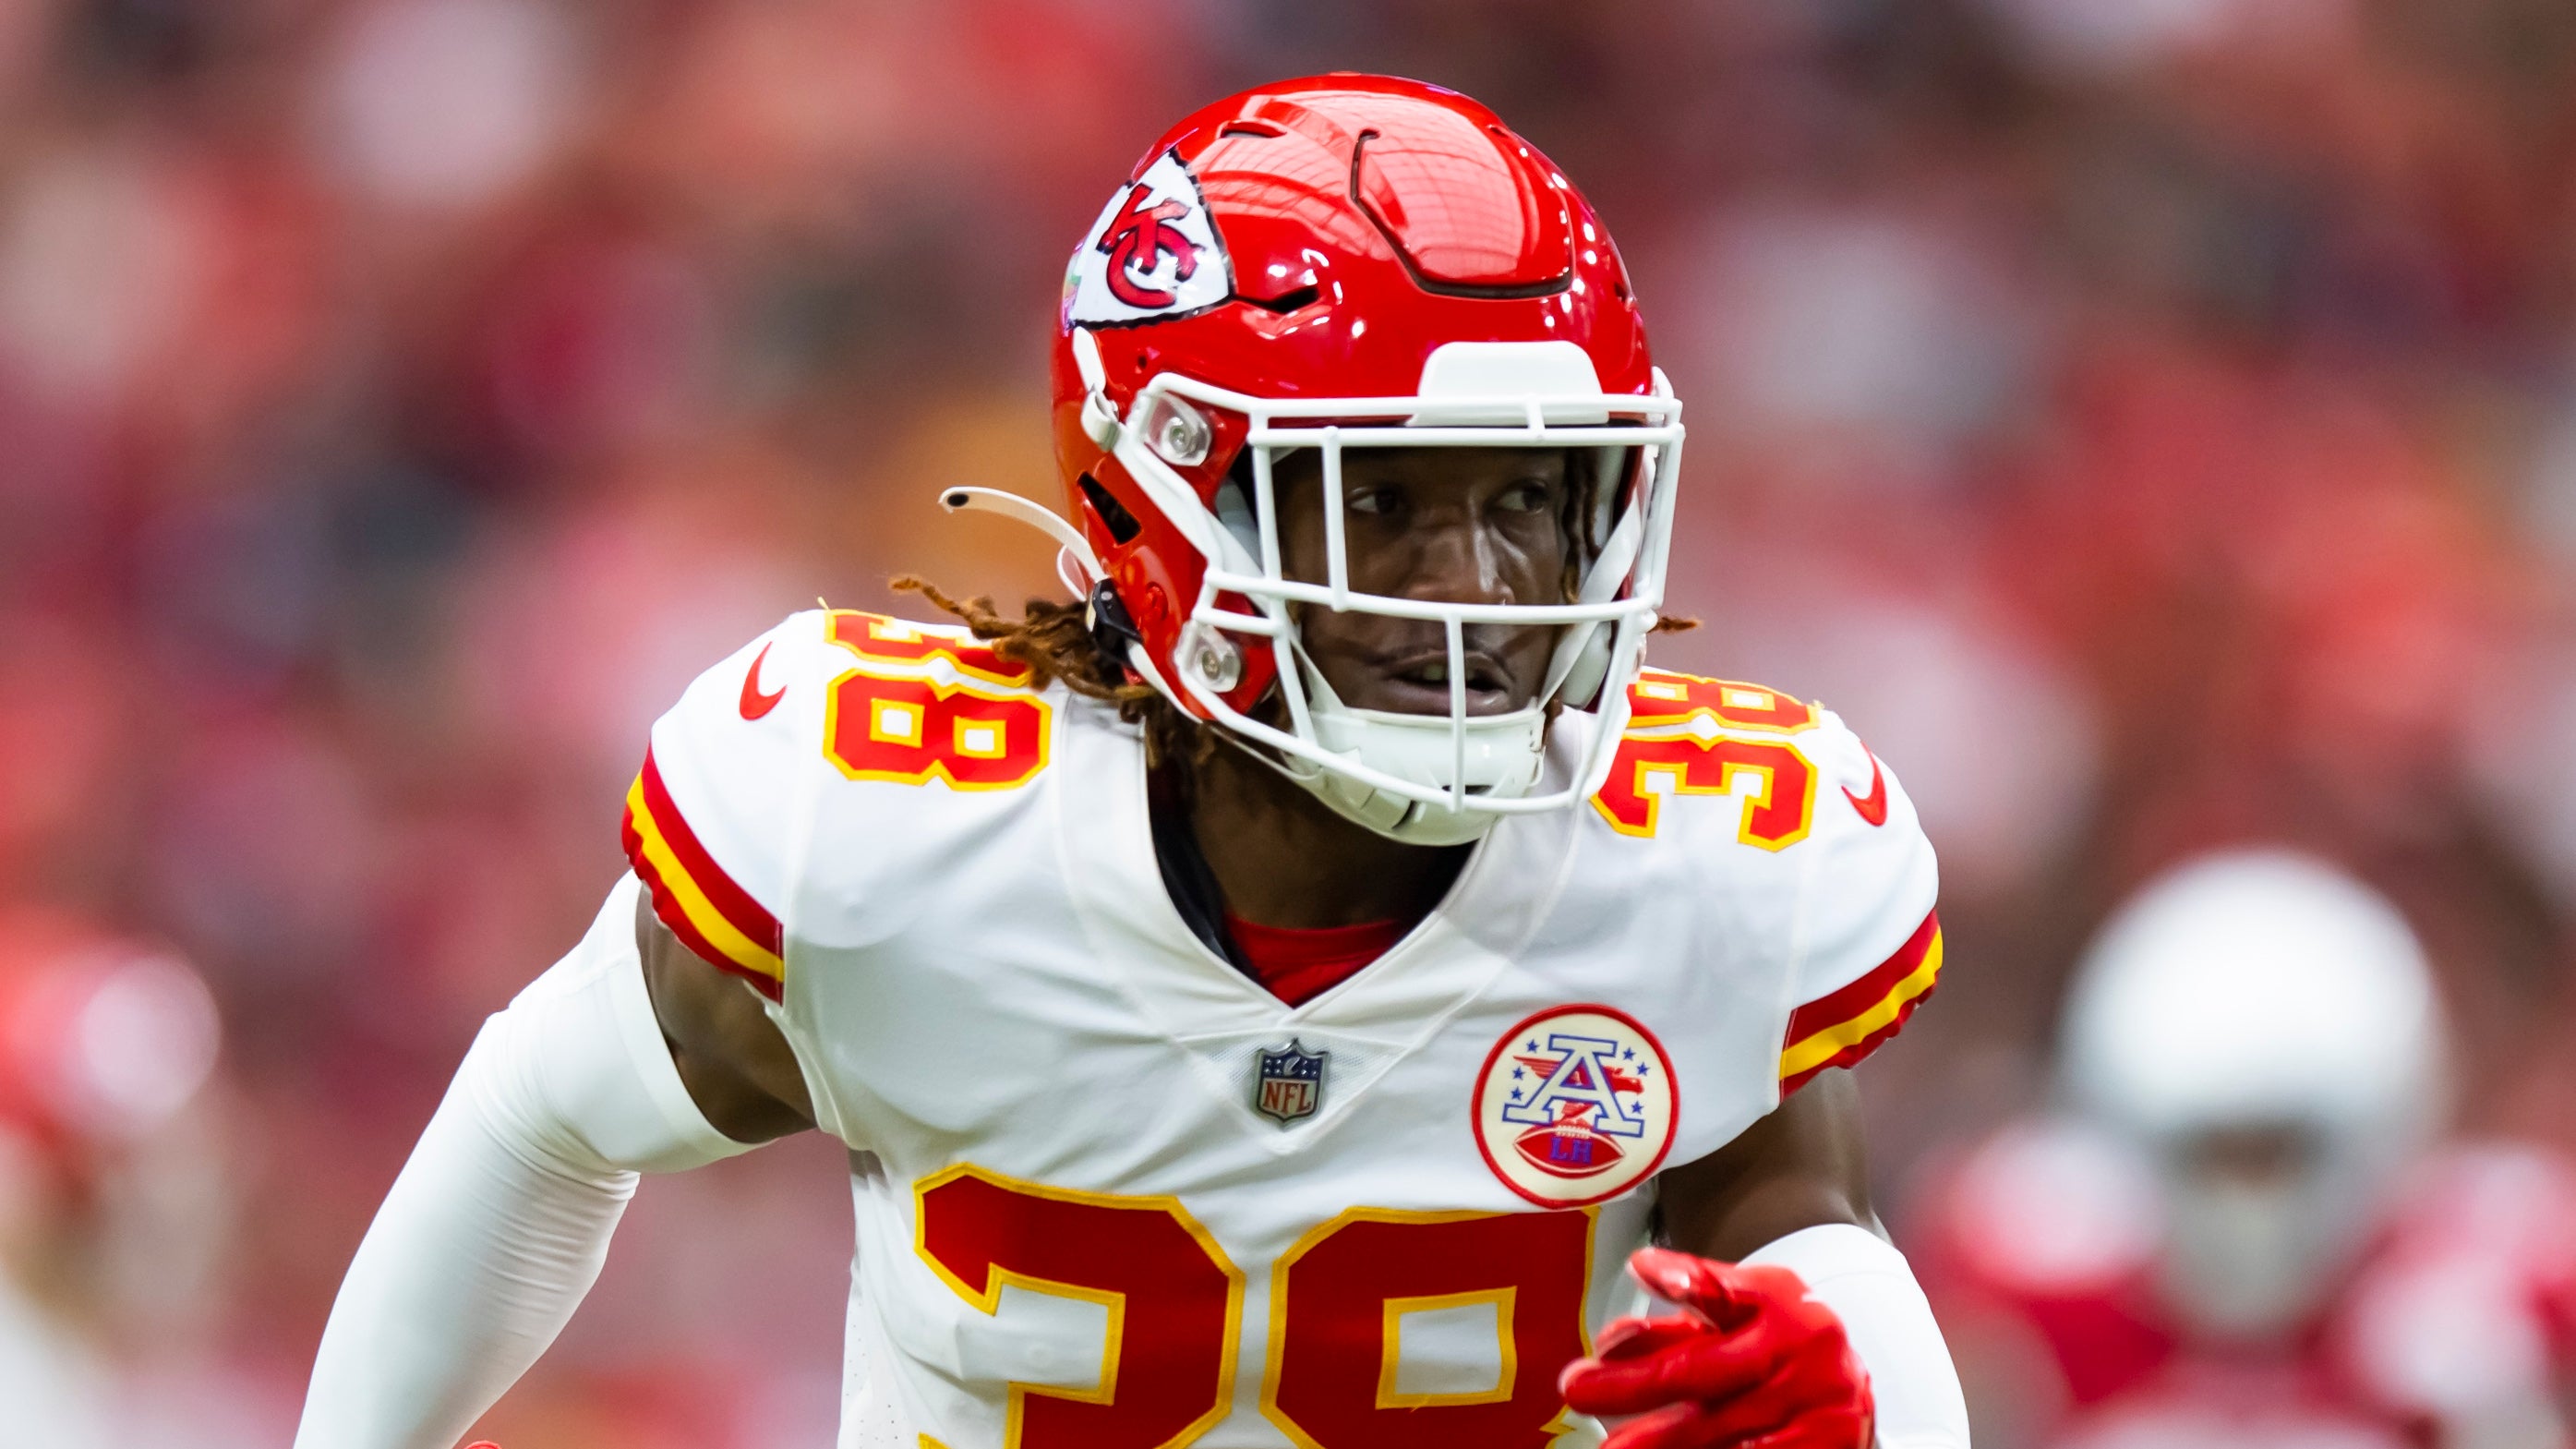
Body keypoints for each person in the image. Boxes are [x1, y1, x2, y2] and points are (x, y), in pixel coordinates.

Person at [295, 75, 1972, 1449]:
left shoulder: (1703, 865)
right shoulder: (889, 834)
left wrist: (1857, 1396)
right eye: (1381, 499)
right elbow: (538, 1125)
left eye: (1526, 496)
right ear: (1157, 495)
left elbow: (1814, 1248)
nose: (1475, 585)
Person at [1924, 850, 2576, 1449]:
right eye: (2214, 1156)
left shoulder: (2487, 1286)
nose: (2245, 1205)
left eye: (2277, 1155)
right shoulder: (2031, 1282)